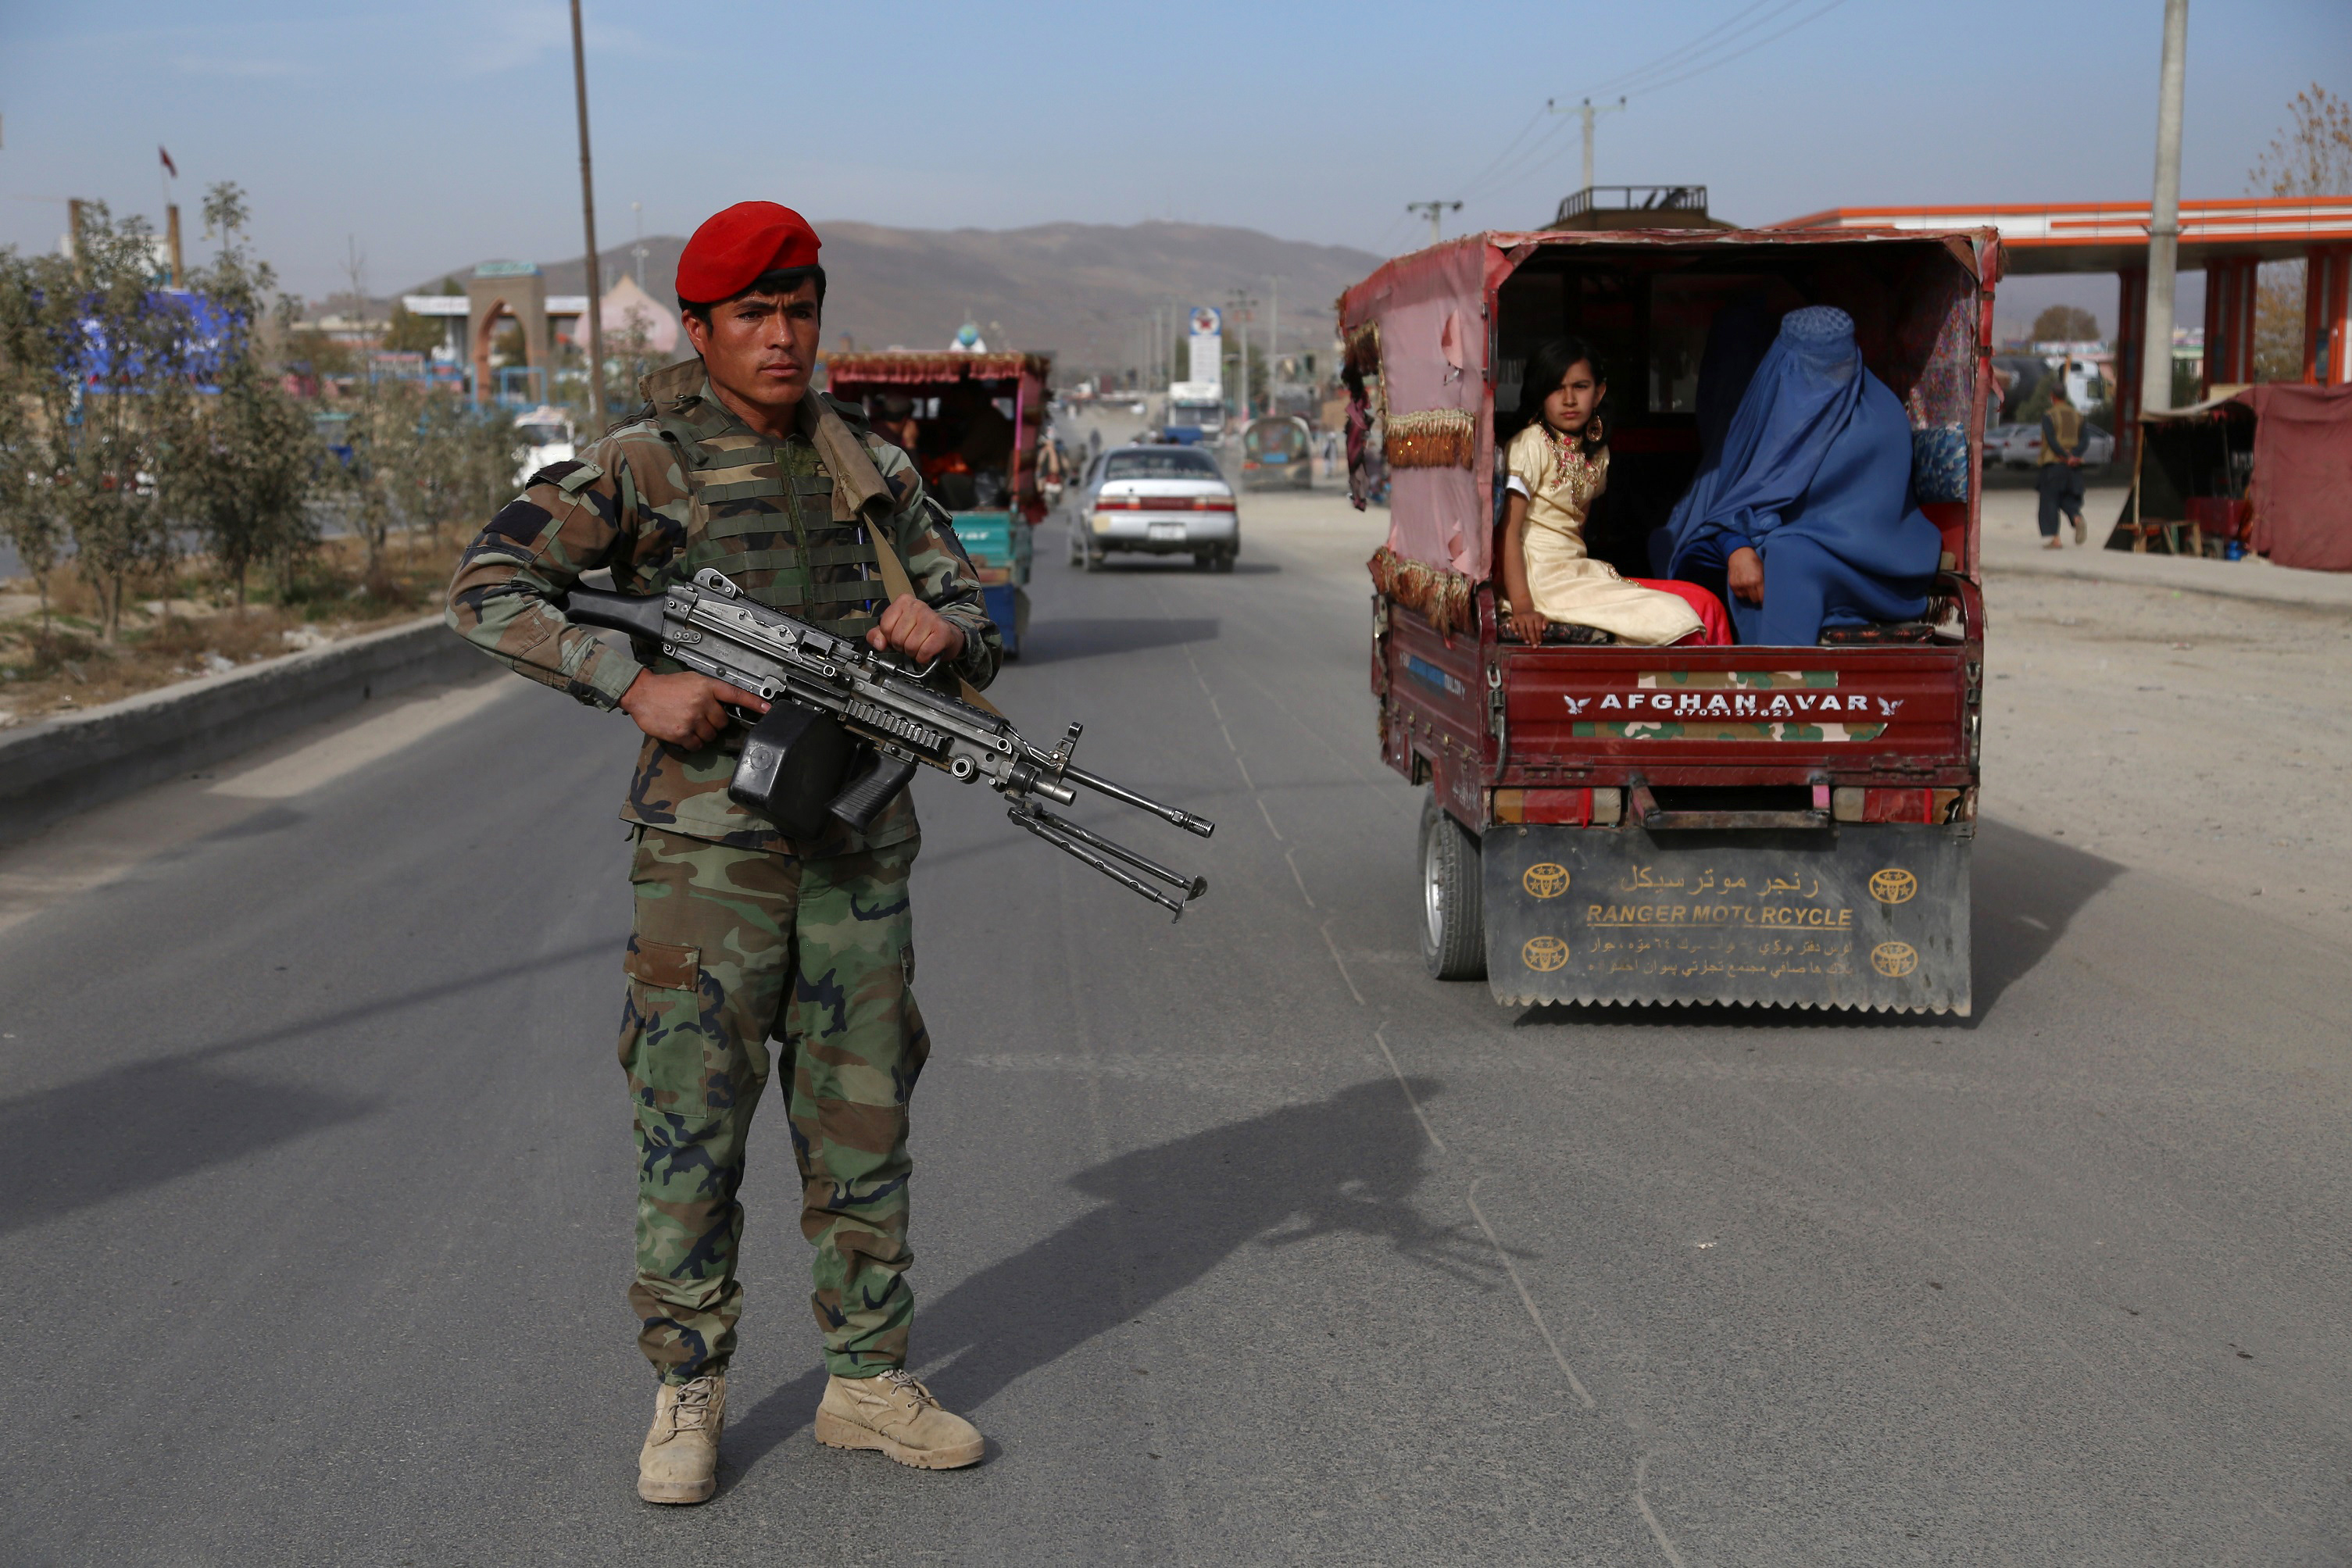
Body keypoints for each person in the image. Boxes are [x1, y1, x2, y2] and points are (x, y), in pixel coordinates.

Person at [445, 202, 1001, 1503]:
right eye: (753, 314)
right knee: (691, 1116)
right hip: (709, 855)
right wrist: (627, 684)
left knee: (862, 1112)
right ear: (699, 330)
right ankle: (688, 1384)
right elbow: (489, 585)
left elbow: (970, 609)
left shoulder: (868, 463)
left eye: (799, 311)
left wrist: (945, 631)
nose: (781, 336)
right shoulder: (642, 464)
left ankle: (867, 1380)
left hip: (857, 843)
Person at [1661, 306, 1943, 645]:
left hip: (1871, 566)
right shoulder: (1772, 404)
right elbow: (1735, 493)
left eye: (1836, 367)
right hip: (1775, 540)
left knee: (1788, 559)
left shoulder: (1880, 420)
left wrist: (1766, 542)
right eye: (1809, 367)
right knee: (1697, 551)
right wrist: (1737, 546)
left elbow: (1865, 527)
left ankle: (1776, 689)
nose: (1822, 382)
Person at [1499, 338, 1730, 646]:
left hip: (1577, 573)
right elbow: (1508, 532)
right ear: (1541, 395)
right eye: (1556, 388)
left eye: (1580, 387)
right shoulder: (1530, 443)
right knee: (1672, 613)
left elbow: (1579, 529)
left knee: (1705, 603)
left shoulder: (1599, 453)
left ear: (1599, 393)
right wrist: (1523, 607)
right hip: (1539, 580)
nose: (1568, 399)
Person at [2037, 377, 2089, 548]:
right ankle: (2076, 517)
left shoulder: (2049, 416)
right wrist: (2074, 456)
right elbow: (2085, 440)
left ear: (2052, 396)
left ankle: (2055, 539)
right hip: (2074, 466)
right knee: (2067, 497)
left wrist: (2065, 456)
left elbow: (2051, 440)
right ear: (2065, 396)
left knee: (2050, 500)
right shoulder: (2079, 416)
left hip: (2054, 465)